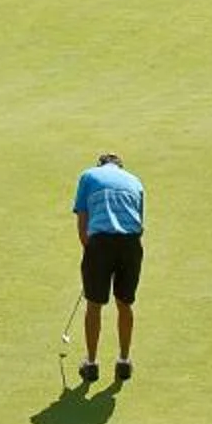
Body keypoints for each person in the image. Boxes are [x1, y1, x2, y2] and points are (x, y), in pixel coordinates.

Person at [71, 151, 144, 384]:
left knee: (94, 305)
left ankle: (91, 364)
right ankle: (124, 361)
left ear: (100, 165)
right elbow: (140, 224)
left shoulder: (88, 176)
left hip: (100, 243)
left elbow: (83, 222)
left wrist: (90, 255)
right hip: (131, 244)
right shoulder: (135, 181)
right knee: (125, 303)